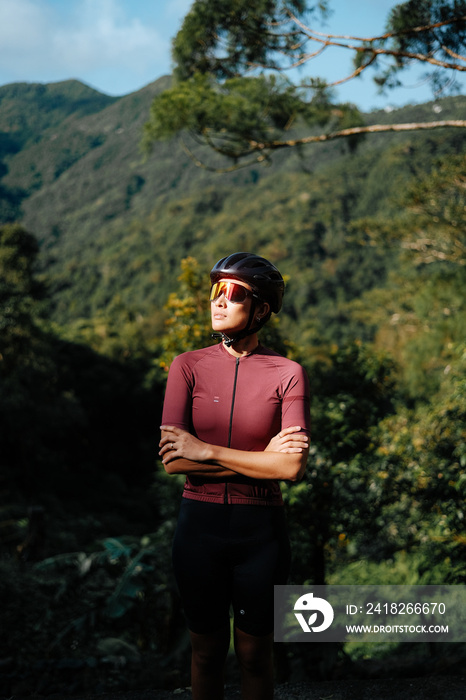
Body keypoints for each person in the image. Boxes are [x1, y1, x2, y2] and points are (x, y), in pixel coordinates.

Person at [159, 252, 310, 700]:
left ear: (261, 309)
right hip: (198, 531)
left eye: (234, 294)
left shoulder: (287, 373)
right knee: (204, 656)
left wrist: (205, 450)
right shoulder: (186, 366)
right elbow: (173, 460)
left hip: (261, 535)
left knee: (255, 657)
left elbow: (291, 467)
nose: (218, 302)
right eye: (215, 292)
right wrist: (261, 459)